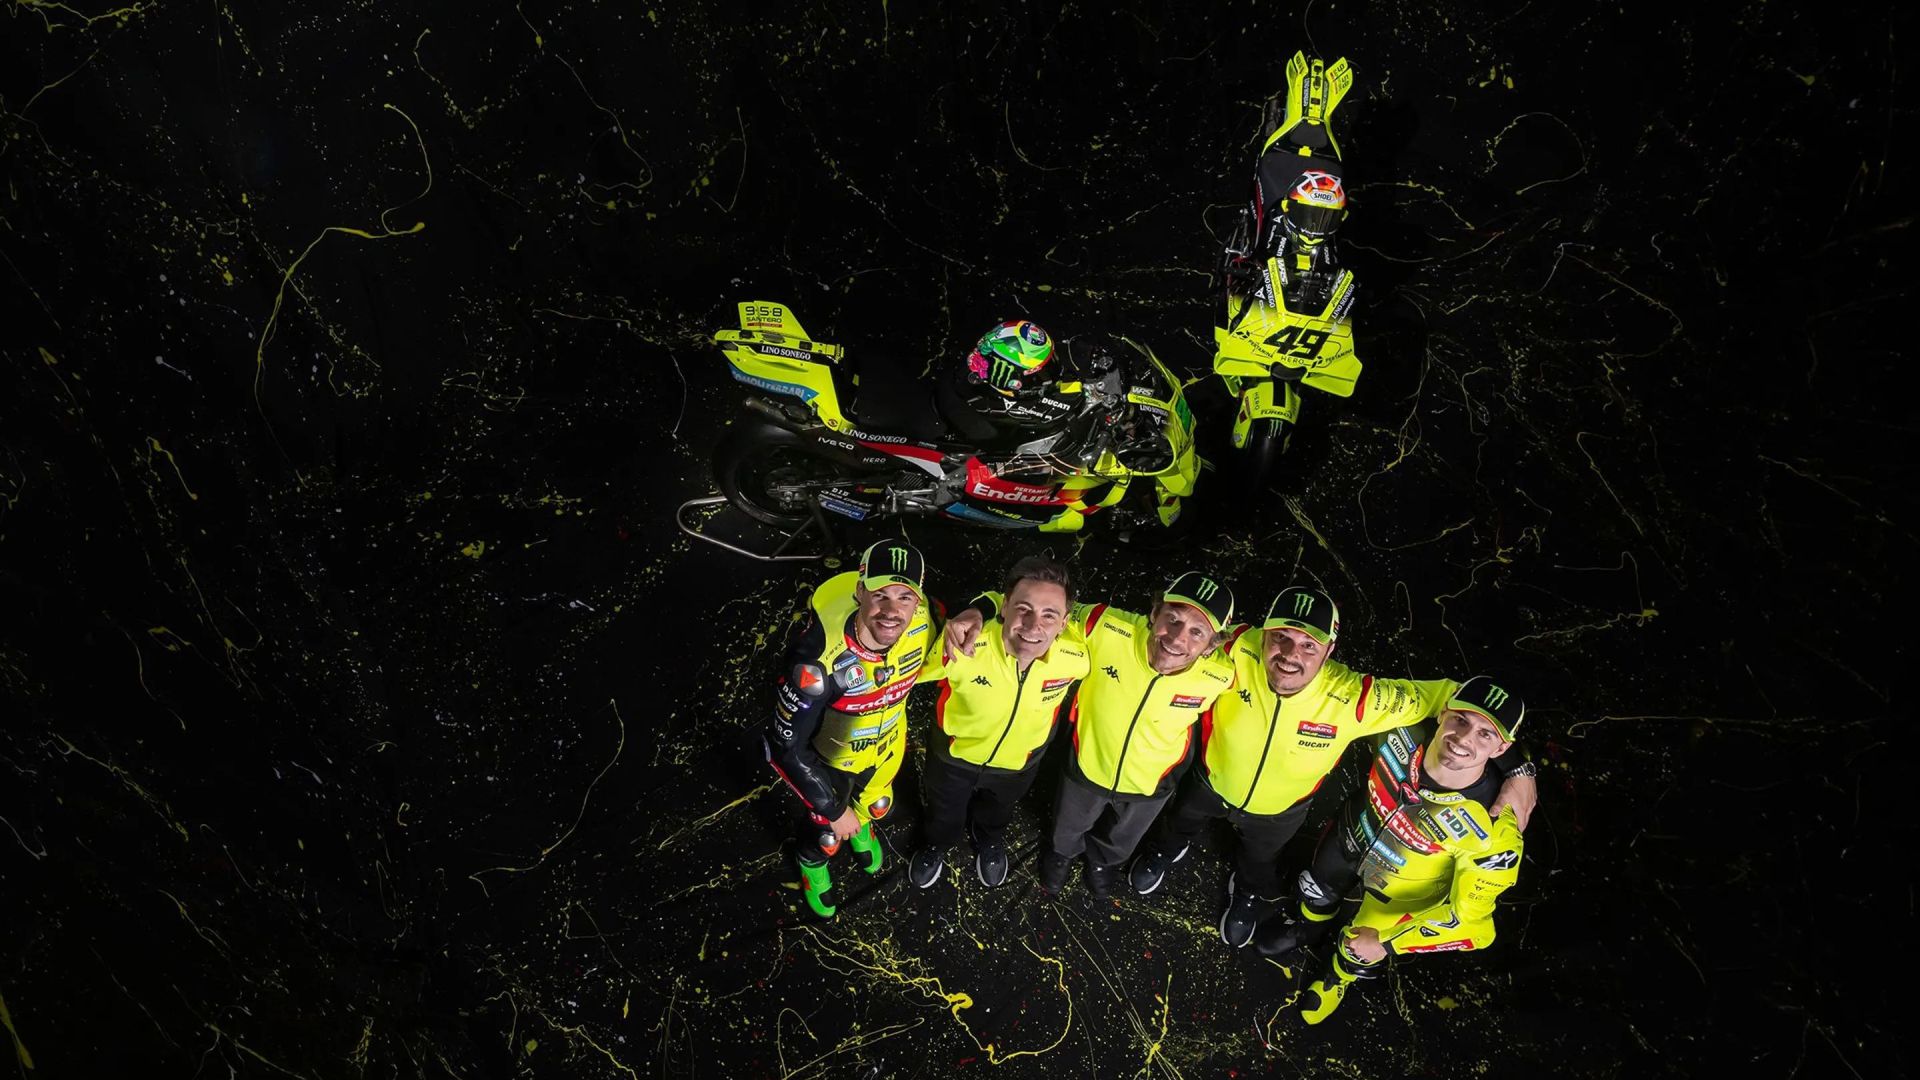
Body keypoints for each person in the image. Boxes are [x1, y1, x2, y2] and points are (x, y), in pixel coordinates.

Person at [1127, 586, 1538, 948]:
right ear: (1262, 634)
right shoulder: (1236, 646)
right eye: (1281, 637)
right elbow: (1182, 626)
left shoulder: (1357, 699)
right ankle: (1164, 852)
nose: (1290, 655)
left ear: (1329, 651)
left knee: (1259, 860)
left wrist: (1519, 770)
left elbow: (1460, 699)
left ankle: (1247, 893)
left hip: (1280, 810)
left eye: (1309, 646)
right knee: (1179, 821)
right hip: (1210, 781)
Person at [1254, 676, 1530, 1025]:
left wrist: (1388, 945)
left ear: (1502, 749)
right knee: (1316, 891)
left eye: (1485, 734)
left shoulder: (1495, 828)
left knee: (1359, 948)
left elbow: (1474, 926)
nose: (1463, 738)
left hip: (1399, 895)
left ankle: (1337, 977)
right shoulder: (1400, 726)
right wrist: (1523, 769)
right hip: (1351, 836)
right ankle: (1305, 930)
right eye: (1460, 719)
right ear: (1443, 710)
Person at [946, 572, 1236, 900]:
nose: (1177, 638)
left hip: (1152, 781)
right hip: (1086, 767)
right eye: (1173, 619)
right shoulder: (1103, 625)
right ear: (1155, 612)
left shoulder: (1223, 674)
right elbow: (1040, 602)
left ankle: (1103, 863)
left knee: (1122, 837)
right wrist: (980, 609)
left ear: (1213, 645)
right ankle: (1060, 855)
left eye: (1197, 632)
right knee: (1068, 825)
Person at [763, 538, 934, 918]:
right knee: (826, 836)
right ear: (859, 591)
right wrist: (834, 809)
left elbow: (971, 620)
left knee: (876, 806)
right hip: (830, 763)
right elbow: (783, 745)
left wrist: (971, 618)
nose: (892, 612)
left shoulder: (927, 622)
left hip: (888, 748)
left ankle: (862, 824)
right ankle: (812, 863)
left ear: (918, 602)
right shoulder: (818, 660)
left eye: (904, 598)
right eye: (880, 595)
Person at [906, 555, 1088, 889]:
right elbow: (902, 672)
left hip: (1019, 763)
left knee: (998, 811)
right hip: (953, 757)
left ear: (1064, 623)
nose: (1033, 626)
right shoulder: (961, 645)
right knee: (944, 811)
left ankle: (988, 839)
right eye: (1023, 608)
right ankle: (936, 844)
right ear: (1004, 606)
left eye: (1049, 615)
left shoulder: (1078, 657)